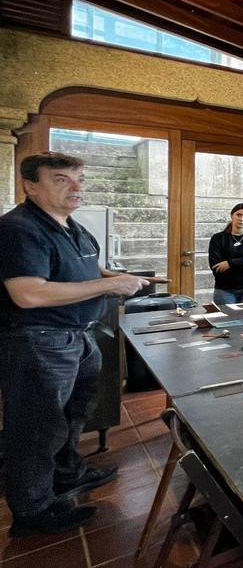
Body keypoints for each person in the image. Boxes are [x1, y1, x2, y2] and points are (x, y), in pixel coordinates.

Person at [0, 152, 158, 536]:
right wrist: (109, 285)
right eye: (61, 179)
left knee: (74, 416)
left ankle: (67, 475)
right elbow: (28, 293)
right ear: (31, 185)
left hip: (79, 335)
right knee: (37, 428)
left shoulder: (72, 226)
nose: (75, 187)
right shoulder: (19, 229)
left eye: (80, 179)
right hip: (39, 341)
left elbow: (89, 267)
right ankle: (33, 511)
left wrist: (114, 274)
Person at [207, 202, 243, 305]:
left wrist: (229, 263)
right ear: (232, 215)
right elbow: (216, 266)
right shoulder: (218, 238)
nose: (242, 219)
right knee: (225, 320)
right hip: (225, 288)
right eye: (238, 215)